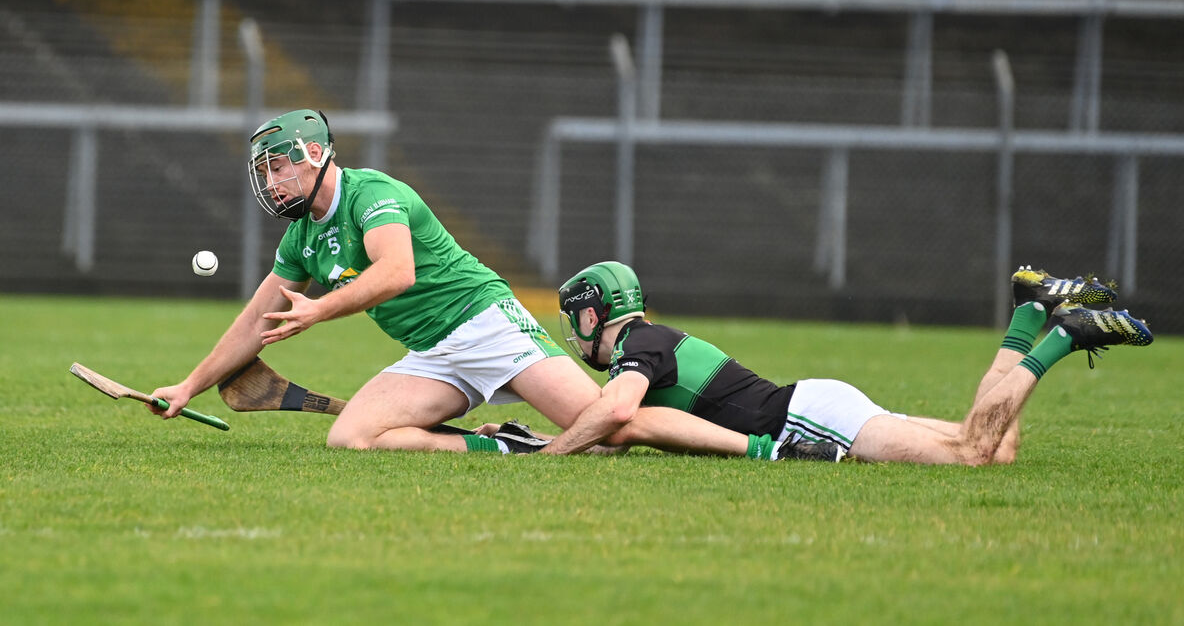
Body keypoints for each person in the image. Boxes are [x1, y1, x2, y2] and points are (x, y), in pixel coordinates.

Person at [148, 108, 604, 454]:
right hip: (433, 352)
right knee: (352, 436)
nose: (271, 184)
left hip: (484, 323)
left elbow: (397, 271)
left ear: (312, 155)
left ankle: (665, 390)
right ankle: (512, 446)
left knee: (608, 434)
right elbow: (255, 322)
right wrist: (188, 387)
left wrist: (319, 310)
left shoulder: (372, 194)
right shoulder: (299, 238)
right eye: (263, 174)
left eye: (277, 167)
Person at [537, 261, 1153, 464]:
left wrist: (549, 457)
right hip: (816, 404)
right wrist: (542, 438)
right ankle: (1029, 311)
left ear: (592, 315)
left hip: (806, 418)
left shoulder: (638, 347)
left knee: (971, 454)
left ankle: (1064, 336)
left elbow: (617, 416)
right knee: (996, 447)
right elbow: (613, 434)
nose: (574, 333)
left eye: (575, 319)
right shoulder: (648, 345)